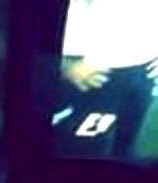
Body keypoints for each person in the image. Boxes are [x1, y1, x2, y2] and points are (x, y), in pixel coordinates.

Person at [54, 0, 158, 159]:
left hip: (146, 72)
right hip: (90, 70)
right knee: (81, 149)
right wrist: (62, 63)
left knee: (126, 149)